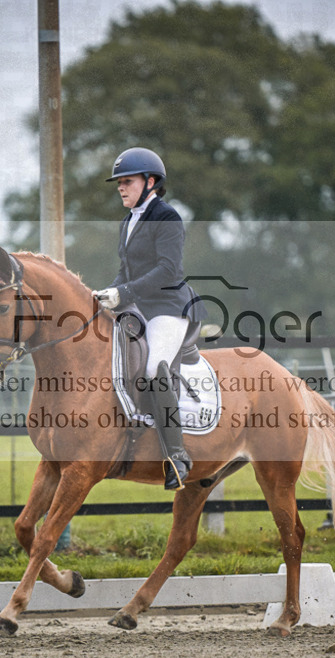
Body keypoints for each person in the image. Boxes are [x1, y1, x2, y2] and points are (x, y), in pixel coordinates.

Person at [93, 147, 206, 490]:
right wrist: (103, 294)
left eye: (126, 182)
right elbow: (124, 271)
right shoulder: (128, 221)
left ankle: (177, 456)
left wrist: (123, 294)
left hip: (169, 307)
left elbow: (167, 270)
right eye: (119, 183)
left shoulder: (167, 217)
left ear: (150, 182)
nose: (121, 188)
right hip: (139, 306)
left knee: (154, 368)